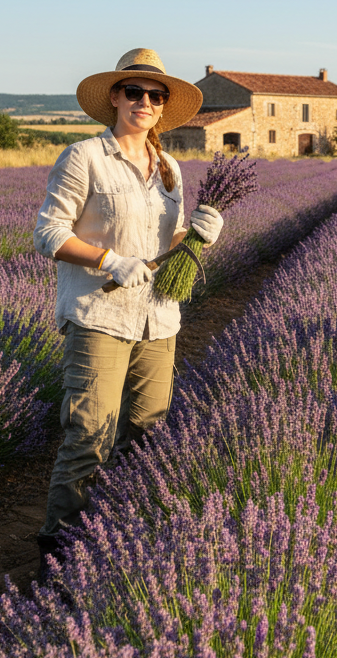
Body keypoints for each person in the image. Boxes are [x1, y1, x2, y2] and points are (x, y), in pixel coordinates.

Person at [32, 48, 224, 582]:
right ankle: (61, 554)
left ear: (164, 107)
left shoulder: (169, 167)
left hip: (158, 319)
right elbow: (48, 233)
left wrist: (199, 235)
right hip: (100, 315)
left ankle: (120, 540)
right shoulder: (84, 157)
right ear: (114, 98)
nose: (144, 101)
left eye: (154, 95)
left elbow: (170, 237)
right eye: (133, 92)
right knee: (89, 434)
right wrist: (105, 258)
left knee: (147, 432)